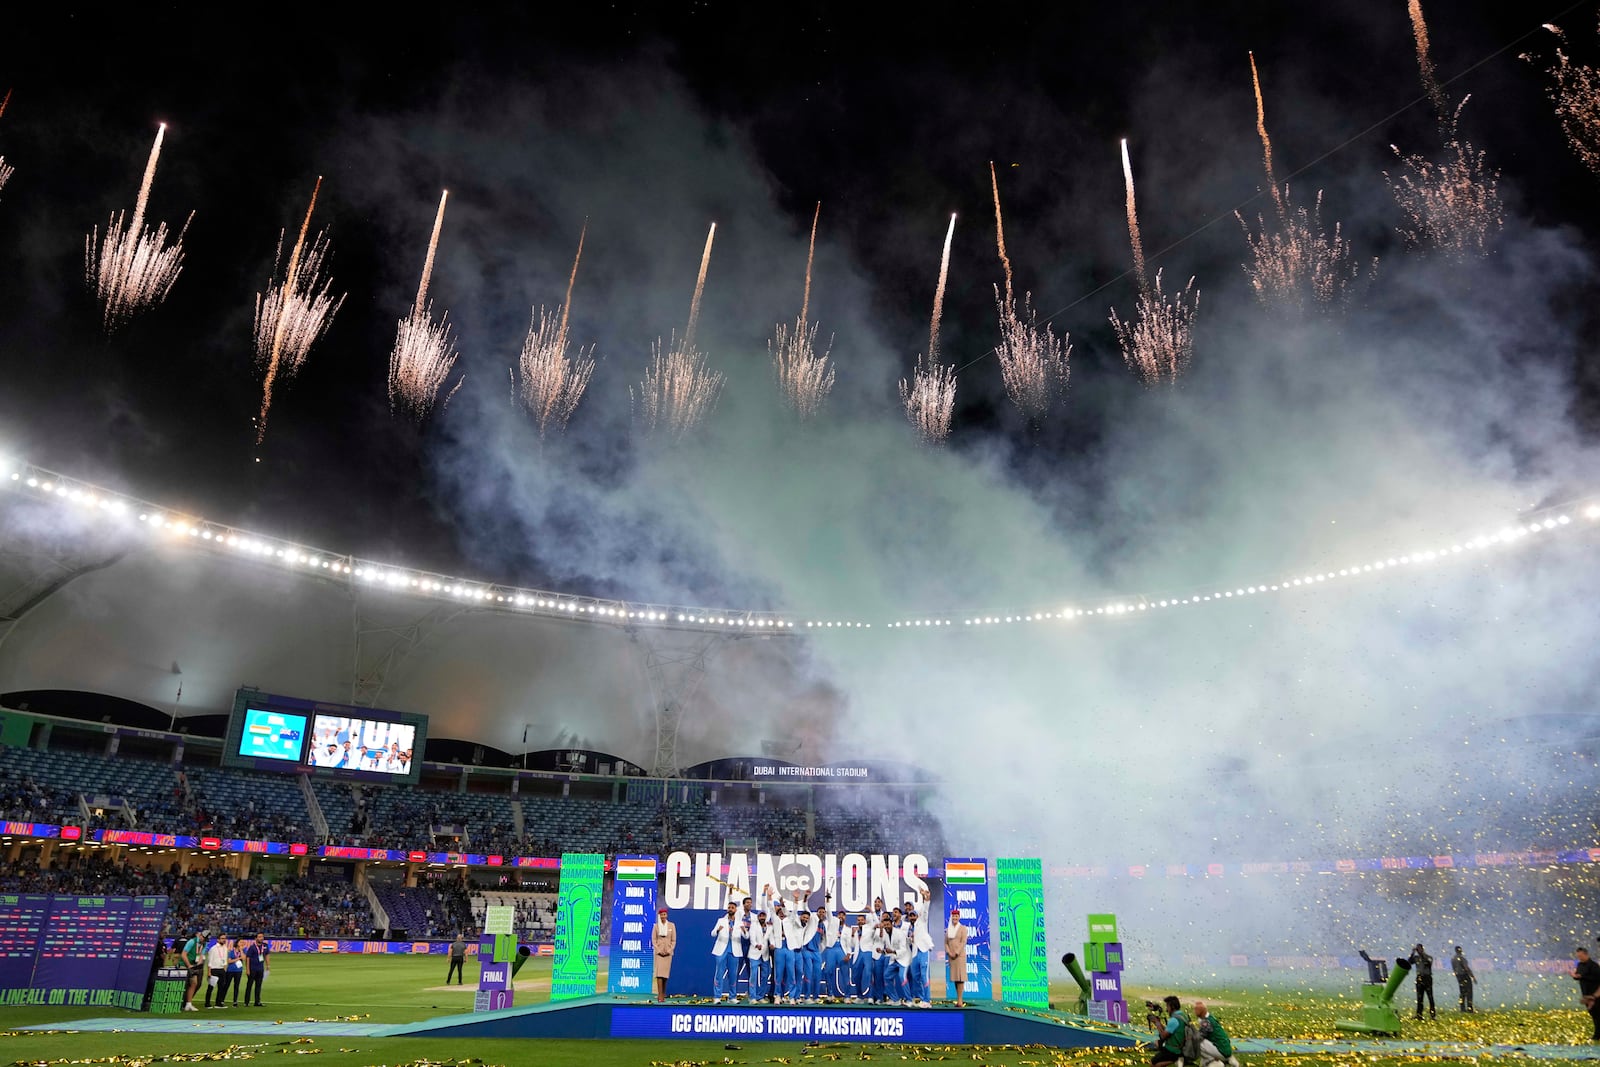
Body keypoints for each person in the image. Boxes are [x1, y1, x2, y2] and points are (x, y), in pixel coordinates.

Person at [1192, 1000, 1239, 1067]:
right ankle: (1226, 1059)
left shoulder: (1206, 1022)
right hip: (1225, 1049)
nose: (1194, 1011)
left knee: (1197, 1042)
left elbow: (1199, 1037)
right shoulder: (1210, 1018)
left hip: (1221, 1050)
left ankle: (1215, 1062)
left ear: (1201, 1011)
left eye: (1196, 1009)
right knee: (1203, 1044)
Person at [711, 901, 739, 1001]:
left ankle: (732, 997)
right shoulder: (721, 920)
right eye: (729, 907)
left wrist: (744, 931)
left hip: (734, 950)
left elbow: (746, 936)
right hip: (721, 950)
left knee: (733, 974)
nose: (730, 909)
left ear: (736, 910)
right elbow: (712, 933)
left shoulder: (739, 922)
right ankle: (717, 997)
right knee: (719, 973)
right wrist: (718, 930)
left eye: (732, 907)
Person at [1571, 946, 1600, 1040]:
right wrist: (1575, 976)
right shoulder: (1580, 965)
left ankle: (1597, 1035)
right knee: (1593, 1014)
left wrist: (1594, 995)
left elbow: (1597, 979)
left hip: (1595, 994)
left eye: (1581, 956)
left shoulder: (1594, 966)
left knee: (1597, 1013)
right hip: (1586, 994)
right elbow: (1579, 975)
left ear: (1586, 954)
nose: (1579, 958)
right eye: (1578, 956)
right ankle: (1597, 1034)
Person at [1151, 995, 1187, 1067]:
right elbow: (1169, 1030)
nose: (1167, 1009)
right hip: (1181, 1048)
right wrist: (1158, 1023)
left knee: (1153, 1063)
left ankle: (1176, 1059)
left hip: (1173, 1050)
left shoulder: (1174, 1020)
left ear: (1172, 1007)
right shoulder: (1182, 1015)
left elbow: (1163, 1036)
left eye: (1167, 1006)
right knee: (1157, 1043)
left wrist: (1157, 1023)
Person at [651, 907, 676, 1003]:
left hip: (668, 954)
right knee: (659, 975)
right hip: (659, 954)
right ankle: (660, 995)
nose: (663, 916)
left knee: (665, 975)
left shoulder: (671, 926)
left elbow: (673, 940)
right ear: (659, 915)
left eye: (664, 914)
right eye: (661, 915)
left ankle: (663, 994)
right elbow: (654, 940)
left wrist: (669, 950)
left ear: (667, 915)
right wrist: (658, 950)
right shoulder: (656, 927)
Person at [945, 907, 969, 1006]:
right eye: (953, 916)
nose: (955, 917)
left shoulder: (963, 928)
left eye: (956, 916)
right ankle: (958, 998)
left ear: (959, 917)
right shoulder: (948, 930)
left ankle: (960, 1000)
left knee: (960, 978)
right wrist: (949, 952)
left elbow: (963, 942)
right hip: (951, 957)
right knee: (955, 978)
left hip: (959, 957)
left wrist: (956, 952)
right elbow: (946, 943)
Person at [181, 928, 206, 1012]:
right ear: (201, 935)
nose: (204, 940)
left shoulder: (204, 944)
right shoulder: (192, 941)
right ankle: (180, 1002)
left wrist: (197, 965)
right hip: (184, 965)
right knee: (183, 984)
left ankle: (188, 1004)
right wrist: (189, 965)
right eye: (203, 938)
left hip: (193, 965)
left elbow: (201, 956)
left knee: (194, 983)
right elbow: (184, 955)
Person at [1410, 943, 1436, 1020]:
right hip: (1419, 977)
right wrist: (1412, 953)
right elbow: (1409, 962)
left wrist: (1422, 954)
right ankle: (1419, 1014)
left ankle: (1433, 1015)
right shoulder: (1416, 958)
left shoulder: (1429, 957)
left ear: (1422, 949)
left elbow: (1428, 963)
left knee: (1430, 997)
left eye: (1419, 949)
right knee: (1419, 997)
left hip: (1427, 978)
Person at [243, 933, 268, 1007]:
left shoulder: (265, 946)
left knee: (258, 986)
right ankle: (246, 1002)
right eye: (259, 937)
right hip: (252, 969)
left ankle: (257, 1002)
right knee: (249, 985)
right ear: (256, 938)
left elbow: (267, 955)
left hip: (260, 969)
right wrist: (247, 969)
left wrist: (268, 965)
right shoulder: (252, 947)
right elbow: (248, 958)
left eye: (262, 937)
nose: (261, 938)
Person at [205, 934, 228, 1008]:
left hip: (221, 969)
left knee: (221, 987)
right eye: (222, 938)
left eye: (224, 938)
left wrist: (224, 969)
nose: (223, 940)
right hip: (214, 969)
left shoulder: (225, 948)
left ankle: (218, 1003)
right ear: (218, 939)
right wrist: (209, 971)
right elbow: (210, 961)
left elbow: (225, 959)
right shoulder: (213, 949)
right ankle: (207, 1003)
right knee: (211, 987)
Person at [1451, 946, 1475, 1013]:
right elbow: (1466, 968)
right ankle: (1469, 1008)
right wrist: (1472, 976)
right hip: (1465, 975)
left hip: (1459, 976)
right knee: (1469, 992)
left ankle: (1462, 1008)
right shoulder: (1462, 958)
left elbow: (1454, 969)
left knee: (1462, 992)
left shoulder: (1453, 959)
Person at [226, 937, 246, 1006]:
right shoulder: (231, 951)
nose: (242, 944)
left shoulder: (243, 951)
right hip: (230, 970)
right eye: (240, 942)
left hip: (238, 971)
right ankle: (221, 1000)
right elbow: (229, 961)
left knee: (236, 986)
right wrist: (238, 958)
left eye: (243, 942)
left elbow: (244, 958)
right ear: (237, 943)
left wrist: (241, 950)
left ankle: (235, 1001)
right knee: (226, 985)